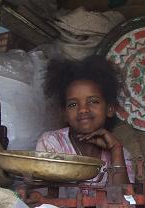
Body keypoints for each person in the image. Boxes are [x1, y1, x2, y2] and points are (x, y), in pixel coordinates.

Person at [36, 55, 134, 193]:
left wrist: (116, 150)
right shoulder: (51, 144)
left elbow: (124, 201)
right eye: (73, 104)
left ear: (110, 109)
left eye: (93, 101)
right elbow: (45, 200)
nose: (83, 109)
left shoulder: (120, 153)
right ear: (64, 113)